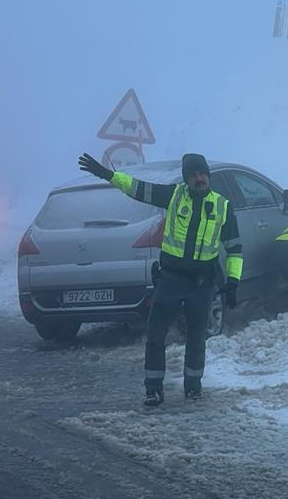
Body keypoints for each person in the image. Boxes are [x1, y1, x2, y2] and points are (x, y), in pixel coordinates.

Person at [77, 152, 242, 406]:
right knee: (156, 334)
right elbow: (137, 188)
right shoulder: (173, 195)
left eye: (203, 174)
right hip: (171, 280)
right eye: (194, 175)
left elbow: (234, 248)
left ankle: (193, 386)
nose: (200, 179)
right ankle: (153, 388)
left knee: (197, 336)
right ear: (187, 178)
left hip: (202, 283)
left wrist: (232, 283)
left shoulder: (223, 205)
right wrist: (108, 175)